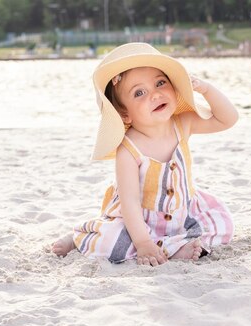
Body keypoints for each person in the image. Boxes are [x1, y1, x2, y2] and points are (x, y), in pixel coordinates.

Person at [52, 43, 238, 266]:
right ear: (124, 113)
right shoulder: (128, 149)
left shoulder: (183, 124)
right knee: (111, 243)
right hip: (138, 221)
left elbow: (228, 119)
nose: (155, 94)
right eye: (139, 92)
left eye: (160, 83)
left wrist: (205, 89)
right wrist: (143, 243)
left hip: (182, 213)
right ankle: (77, 238)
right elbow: (129, 202)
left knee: (222, 224)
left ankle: (172, 245)